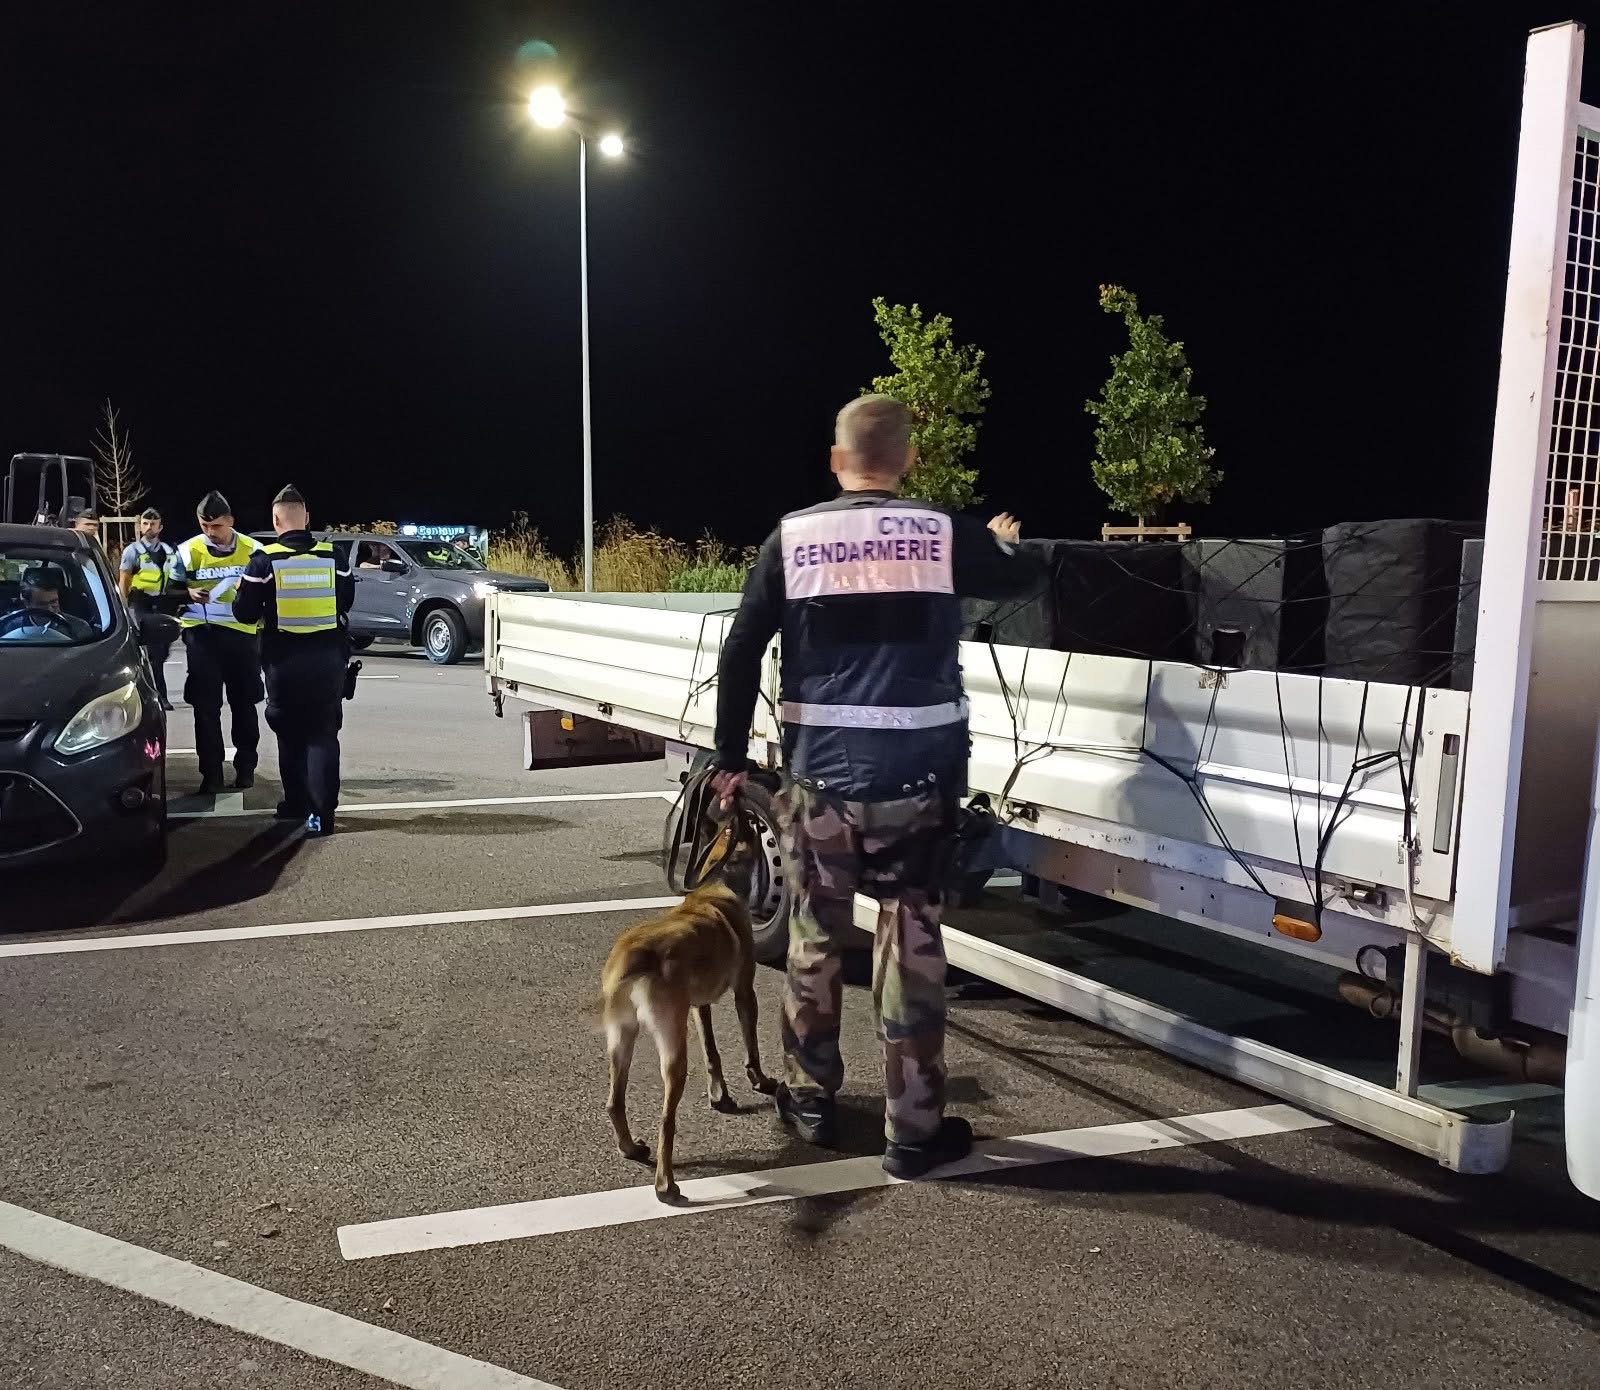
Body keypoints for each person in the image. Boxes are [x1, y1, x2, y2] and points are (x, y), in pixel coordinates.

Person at [710, 394, 1038, 1179]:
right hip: (918, 785)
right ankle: (914, 1130)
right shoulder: (939, 531)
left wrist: (728, 755)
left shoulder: (792, 537)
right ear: (908, 460)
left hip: (819, 780)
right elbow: (1016, 579)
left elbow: (741, 648)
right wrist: (996, 541)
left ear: (836, 460)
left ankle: (812, 1098)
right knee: (910, 946)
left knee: (815, 938)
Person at [233, 484, 354, 837]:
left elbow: (243, 613)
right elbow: (344, 602)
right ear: (307, 518)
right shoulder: (335, 558)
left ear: (275, 520)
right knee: (322, 735)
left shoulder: (264, 561)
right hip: (328, 661)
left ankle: (296, 805)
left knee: (289, 734)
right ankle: (323, 816)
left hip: (283, 663)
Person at [169, 490, 262, 795]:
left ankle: (246, 768)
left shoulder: (254, 550)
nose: (211, 533)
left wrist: (246, 590)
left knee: (244, 704)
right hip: (202, 636)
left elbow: (267, 595)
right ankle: (211, 773)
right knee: (205, 708)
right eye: (205, 526)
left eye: (217, 527)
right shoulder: (186, 551)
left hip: (243, 637)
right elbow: (166, 594)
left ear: (231, 521)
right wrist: (187, 595)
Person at [117, 507, 177, 710]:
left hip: (161, 603)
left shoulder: (168, 551)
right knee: (151, 651)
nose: (148, 527)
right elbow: (124, 579)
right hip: (139, 602)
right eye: (145, 523)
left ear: (160, 527)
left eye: (153, 523)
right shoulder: (133, 551)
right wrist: (123, 605)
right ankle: (159, 696)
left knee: (162, 651)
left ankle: (153, 692)